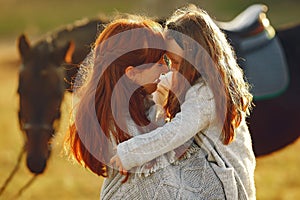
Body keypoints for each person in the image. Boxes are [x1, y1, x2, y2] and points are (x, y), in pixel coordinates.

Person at [111, 4, 256, 200]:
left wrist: (130, 152)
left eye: (177, 63)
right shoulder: (208, 84)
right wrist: (160, 100)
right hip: (225, 174)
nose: (172, 70)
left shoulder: (205, 95)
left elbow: (175, 132)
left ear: (194, 59)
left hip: (229, 185)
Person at [65, 15, 179, 199]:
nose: (166, 70)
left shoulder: (137, 106)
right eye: (158, 63)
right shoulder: (122, 127)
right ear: (132, 73)